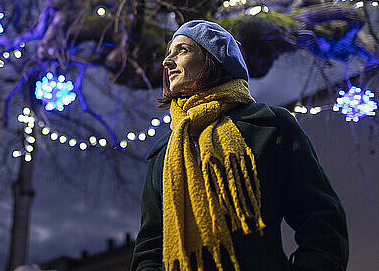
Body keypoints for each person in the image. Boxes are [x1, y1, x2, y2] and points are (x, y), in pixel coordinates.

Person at [131, 20, 348, 271]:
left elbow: (322, 221)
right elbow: (149, 246)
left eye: (182, 50)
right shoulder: (164, 152)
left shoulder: (270, 126)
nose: (167, 62)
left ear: (213, 58)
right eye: (168, 53)